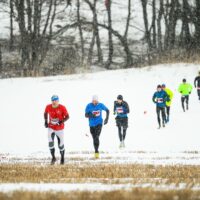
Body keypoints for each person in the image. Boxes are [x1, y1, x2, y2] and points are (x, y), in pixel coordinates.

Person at [44, 95, 69, 165]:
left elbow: (67, 117)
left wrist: (61, 121)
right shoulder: (48, 107)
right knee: (50, 143)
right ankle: (53, 158)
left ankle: (62, 158)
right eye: (53, 100)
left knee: (60, 145)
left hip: (59, 128)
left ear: (58, 101)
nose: (54, 102)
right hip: (51, 127)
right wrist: (45, 121)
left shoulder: (62, 107)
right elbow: (45, 113)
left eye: (55, 100)